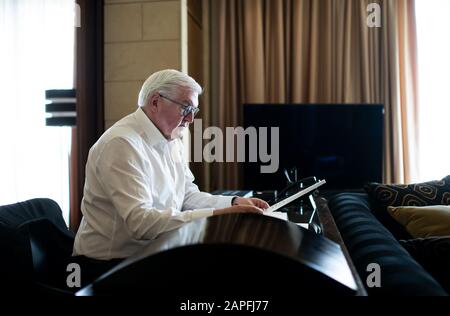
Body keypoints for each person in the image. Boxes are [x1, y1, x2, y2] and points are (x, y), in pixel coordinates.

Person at [73, 69, 269, 268]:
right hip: (107, 266)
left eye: (194, 111)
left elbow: (187, 196)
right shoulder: (121, 144)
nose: (191, 119)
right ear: (156, 101)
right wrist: (217, 216)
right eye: (186, 108)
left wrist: (233, 203)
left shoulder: (171, 138)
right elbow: (141, 223)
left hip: (150, 255)